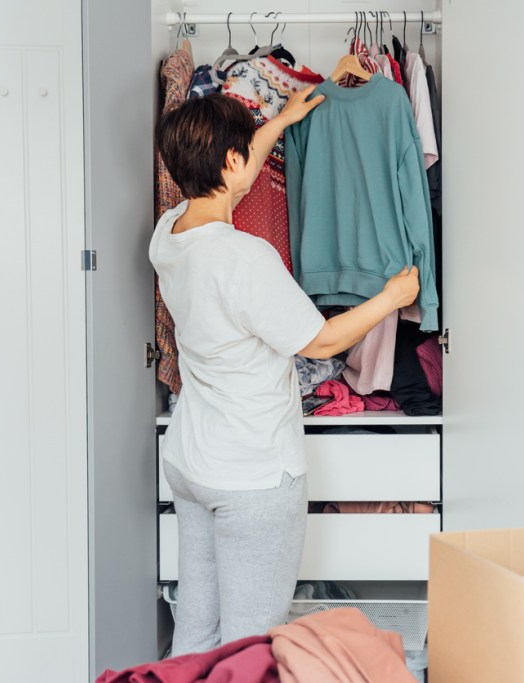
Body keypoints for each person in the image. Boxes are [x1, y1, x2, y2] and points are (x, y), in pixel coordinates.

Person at [150, 86, 420, 656]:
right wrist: (392, 296)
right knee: (250, 646)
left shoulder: (169, 234)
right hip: (252, 474)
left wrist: (279, 122)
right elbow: (322, 341)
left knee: (196, 631)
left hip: (191, 463)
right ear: (230, 159)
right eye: (245, 148)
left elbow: (229, 179)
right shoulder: (245, 258)